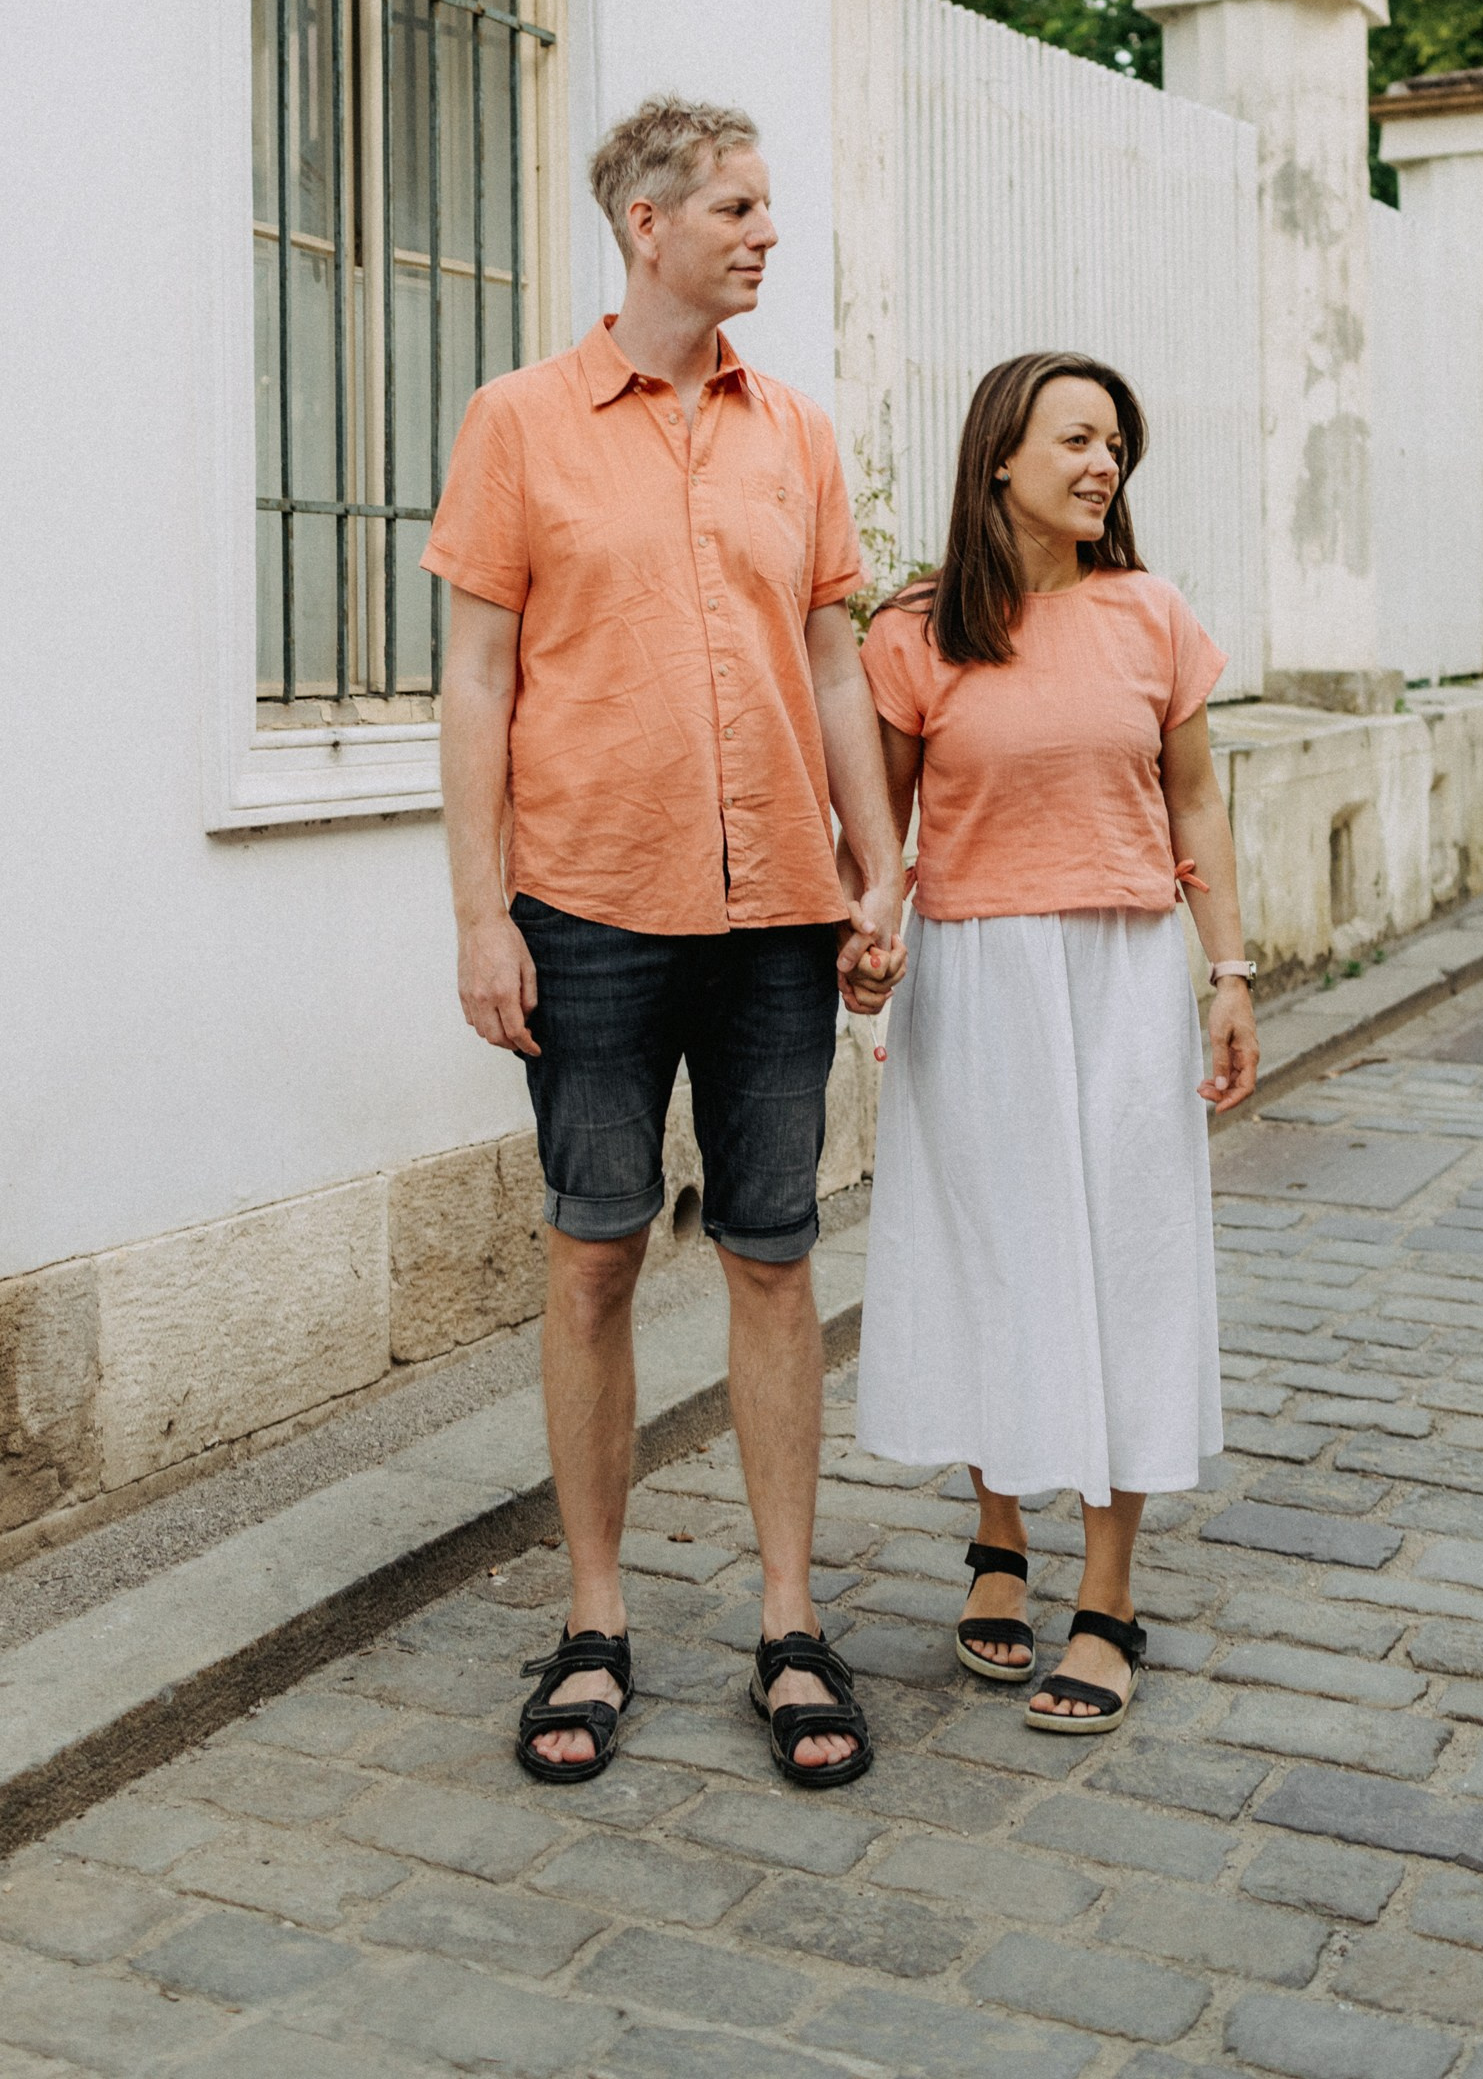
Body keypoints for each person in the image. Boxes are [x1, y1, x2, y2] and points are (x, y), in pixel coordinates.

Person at [424, 94, 906, 1790]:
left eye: (768, 207)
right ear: (648, 220)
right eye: (741, 207)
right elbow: (476, 680)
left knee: (774, 1259)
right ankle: (597, 1617)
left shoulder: (800, 435)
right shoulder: (519, 425)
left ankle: (788, 1621)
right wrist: (481, 912)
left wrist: (880, 868)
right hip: (585, 906)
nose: (768, 233)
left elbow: (838, 664)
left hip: (778, 911)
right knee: (596, 1255)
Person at [846, 350, 1258, 1732]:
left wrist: (1232, 971)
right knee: (996, 1252)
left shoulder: (1153, 616)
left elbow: (1196, 808)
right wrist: (868, 929)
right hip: (976, 975)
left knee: (1127, 1260)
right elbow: (883, 833)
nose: (1105, 466)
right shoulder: (913, 633)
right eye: (1079, 439)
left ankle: (1109, 1591)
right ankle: (996, 1539)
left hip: (1128, 970)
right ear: (1001, 458)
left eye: (1117, 447)